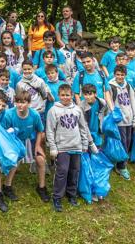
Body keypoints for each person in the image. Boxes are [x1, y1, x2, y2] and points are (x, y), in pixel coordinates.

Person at [46, 84, 96, 212]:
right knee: (62, 171)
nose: (65, 97)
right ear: (58, 95)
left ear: (72, 95)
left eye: (67, 95)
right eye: (62, 95)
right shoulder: (53, 110)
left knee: (74, 171)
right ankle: (57, 196)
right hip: (62, 147)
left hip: (76, 146)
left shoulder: (77, 110)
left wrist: (85, 144)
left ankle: (71, 194)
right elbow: (50, 130)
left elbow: (83, 128)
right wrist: (52, 147)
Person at [2, 91, 51, 203]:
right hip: (14, 140)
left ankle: (41, 187)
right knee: (16, 160)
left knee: (41, 160)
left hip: (31, 138)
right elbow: (4, 132)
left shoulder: (34, 115)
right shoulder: (9, 114)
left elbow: (40, 131)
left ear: (29, 103)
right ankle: (7, 186)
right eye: (18, 102)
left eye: (23, 102)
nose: (20, 105)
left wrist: (38, 146)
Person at [108, 65, 135, 180]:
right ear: (114, 74)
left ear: (125, 75)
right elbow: (109, 103)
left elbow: (133, 102)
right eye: (118, 74)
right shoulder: (111, 86)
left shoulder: (128, 86)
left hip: (129, 119)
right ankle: (121, 166)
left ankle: (119, 163)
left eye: (122, 75)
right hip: (119, 121)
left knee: (128, 142)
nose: (120, 77)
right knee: (122, 144)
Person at [79, 84, 108, 149]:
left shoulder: (102, 102)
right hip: (87, 133)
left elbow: (106, 113)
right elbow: (82, 124)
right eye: (85, 95)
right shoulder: (81, 106)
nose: (88, 97)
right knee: (88, 151)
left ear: (95, 94)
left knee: (98, 151)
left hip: (98, 133)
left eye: (90, 94)